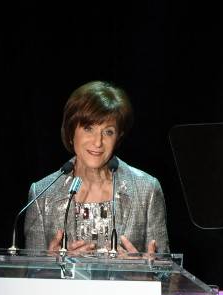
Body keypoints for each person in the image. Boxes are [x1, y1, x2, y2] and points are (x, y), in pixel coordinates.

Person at [24, 80, 169, 255]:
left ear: (118, 137)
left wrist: (144, 267)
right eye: (88, 128)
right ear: (71, 132)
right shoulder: (42, 194)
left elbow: (166, 269)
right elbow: (29, 269)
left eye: (108, 132)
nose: (98, 142)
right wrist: (50, 264)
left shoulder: (147, 189)